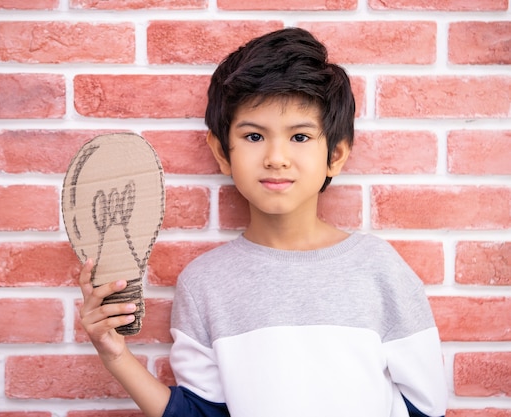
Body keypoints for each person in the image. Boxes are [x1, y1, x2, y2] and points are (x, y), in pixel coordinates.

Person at [77, 27, 448, 417]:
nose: (276, 157)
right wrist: (114, 353)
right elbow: (202, 412)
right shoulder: (205, 283)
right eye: (254, 136)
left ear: (335, 155)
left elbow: (427, 406)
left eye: (300, 137)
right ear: (223, 153)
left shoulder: (380, 269)